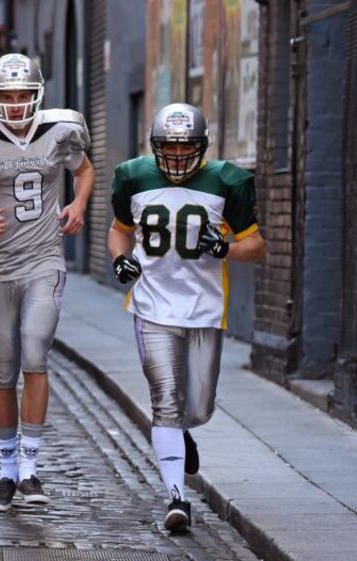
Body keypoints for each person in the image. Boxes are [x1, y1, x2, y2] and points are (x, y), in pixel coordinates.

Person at [0, 53, 95, 510]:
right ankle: (7, 469)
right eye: (6, 95)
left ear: (37, 94)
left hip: (44, 260)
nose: (15, 103)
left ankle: (30, 468)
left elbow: (84, 170)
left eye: (23, 94)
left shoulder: (59, 131)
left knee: (35, 353)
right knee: (4, 372)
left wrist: (79, 204)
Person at [108, 102, 265, 532]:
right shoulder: (133, 176)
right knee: (164, 399)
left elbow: (257, 246)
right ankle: (177, 497)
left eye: (186, 146)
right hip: (152, 306)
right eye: (169, 146)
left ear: (202, 146)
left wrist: (226, 248)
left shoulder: (227, 181)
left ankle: (183, 429)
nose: (177, 155)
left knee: (198, 406)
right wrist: (120, 260)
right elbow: (119, 231)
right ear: (155, 146)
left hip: (204, 309)